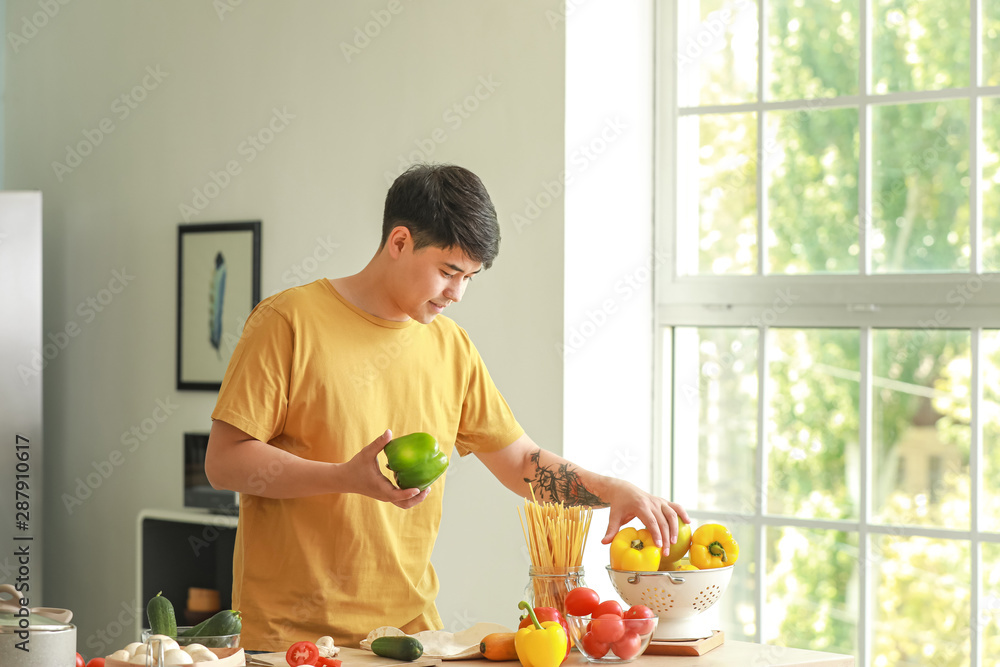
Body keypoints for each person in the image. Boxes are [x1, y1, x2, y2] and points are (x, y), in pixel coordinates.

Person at [204, 163, 690, 652]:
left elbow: (521, 462)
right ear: (398, 242)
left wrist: (611, 489)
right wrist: (343, 477)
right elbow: (224, 462)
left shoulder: (451, 347)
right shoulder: (287, 322)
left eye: (469, 278)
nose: (456, 293)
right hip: (291, 641)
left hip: (409, 638)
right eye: (448, 271)